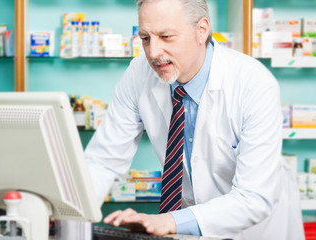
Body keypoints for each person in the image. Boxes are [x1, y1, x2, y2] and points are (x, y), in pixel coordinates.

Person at [84, 0, 304, 239]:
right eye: (145, 38)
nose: (153, 52)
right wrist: (70, 212)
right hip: (189, 226)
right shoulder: (138, 75)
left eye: (166, 36)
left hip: (254, 228)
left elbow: (253, 197)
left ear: (202, 31)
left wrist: (169, 220)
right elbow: (103, 160)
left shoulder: (254, 84)